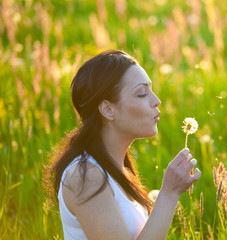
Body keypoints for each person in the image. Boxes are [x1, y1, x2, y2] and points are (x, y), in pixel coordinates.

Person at [49, 49, 201, 240]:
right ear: (108, 109)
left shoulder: (117, 170)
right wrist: (169, 193)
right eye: (142, 93)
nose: (156, 101)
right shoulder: (85, 176)